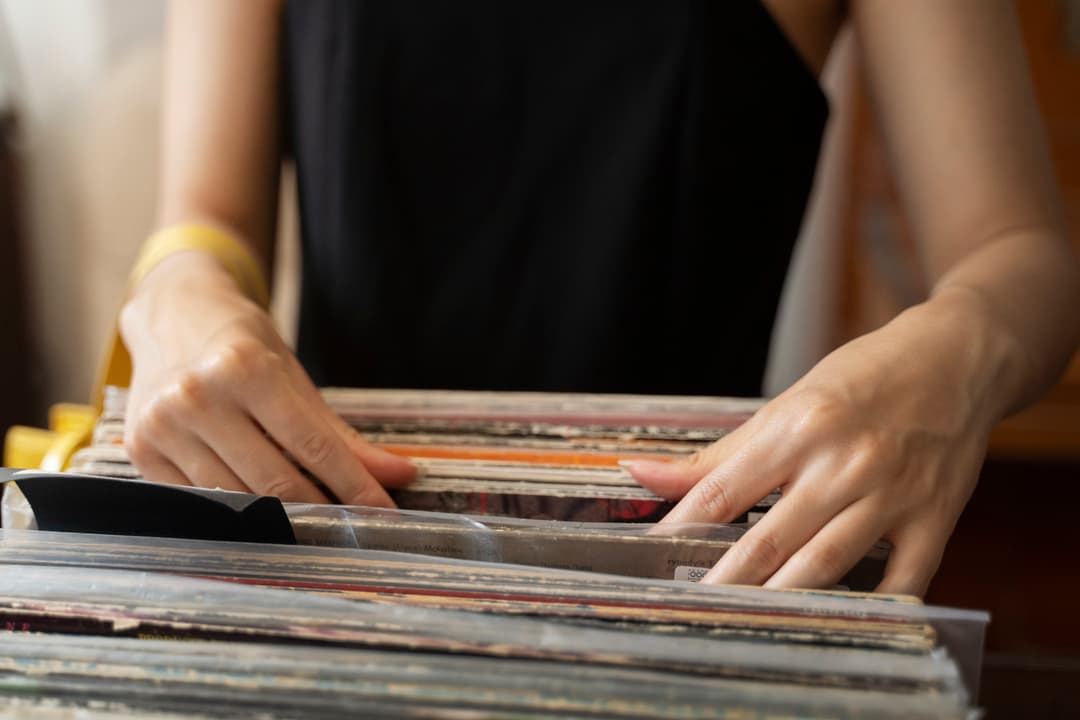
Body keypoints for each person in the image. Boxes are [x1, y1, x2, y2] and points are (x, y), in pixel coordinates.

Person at [119, 0, 1080, 597]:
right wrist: (177, 290)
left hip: (693, 578)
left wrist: (959, 349)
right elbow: (208, 215)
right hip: (327, 553)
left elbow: (1021, 250)